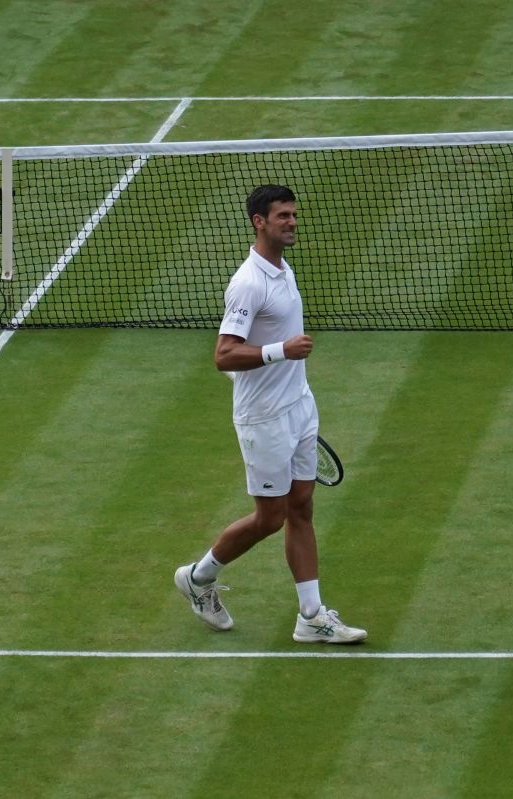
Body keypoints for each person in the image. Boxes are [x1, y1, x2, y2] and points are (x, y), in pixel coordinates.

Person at [173, 184, 367, 644]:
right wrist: (282, 350)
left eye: (293, 214)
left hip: (300, 407)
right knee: (270, 517)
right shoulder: (248, 283)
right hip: (264, 418)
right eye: (282, 215)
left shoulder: (282, 269)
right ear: (259, 221)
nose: (292, 221)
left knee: (301, 508)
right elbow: (224, 355)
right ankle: (198, 579)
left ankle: (312, 616)